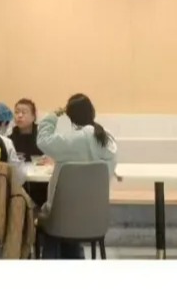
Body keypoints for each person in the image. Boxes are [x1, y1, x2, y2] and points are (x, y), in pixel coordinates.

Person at [37, 93, 118, 259]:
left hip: (63, 218)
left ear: (70, 116)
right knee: (70, 224)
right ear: (92, 112)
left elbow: (43, 140)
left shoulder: (70, 140)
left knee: (48, 219)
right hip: (96, 218)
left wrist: (53, 116)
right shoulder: (108, 139)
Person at [10, 98, 50, 208]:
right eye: (17, 112)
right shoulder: (10, 138)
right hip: (19, 184)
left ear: (33, 116)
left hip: (41, 183)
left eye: (24, 112)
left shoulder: (43, 136)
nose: (19, 116)